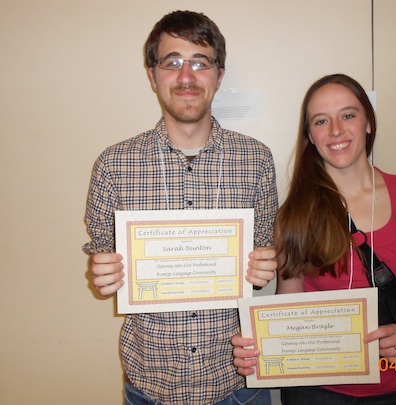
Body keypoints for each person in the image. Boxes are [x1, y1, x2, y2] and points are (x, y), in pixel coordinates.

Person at [82, 10, 278, 405]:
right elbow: (104, 257)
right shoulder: (113, 165)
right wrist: (103, 273)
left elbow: (264, 257)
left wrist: (264, 268)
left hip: (236, 384)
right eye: (172, 62)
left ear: (219, 76)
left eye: (200, 62)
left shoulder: (256, 160)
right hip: (150, 385)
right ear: (152, 75)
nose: (186, 76)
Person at [232, 74, 396, 404]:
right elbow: (289, 310)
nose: (335, 130)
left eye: (348, 115)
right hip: (316, 392)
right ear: (310, 135)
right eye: (321, 121)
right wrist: (258, 348)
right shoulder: (294, 215)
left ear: (368, 123)